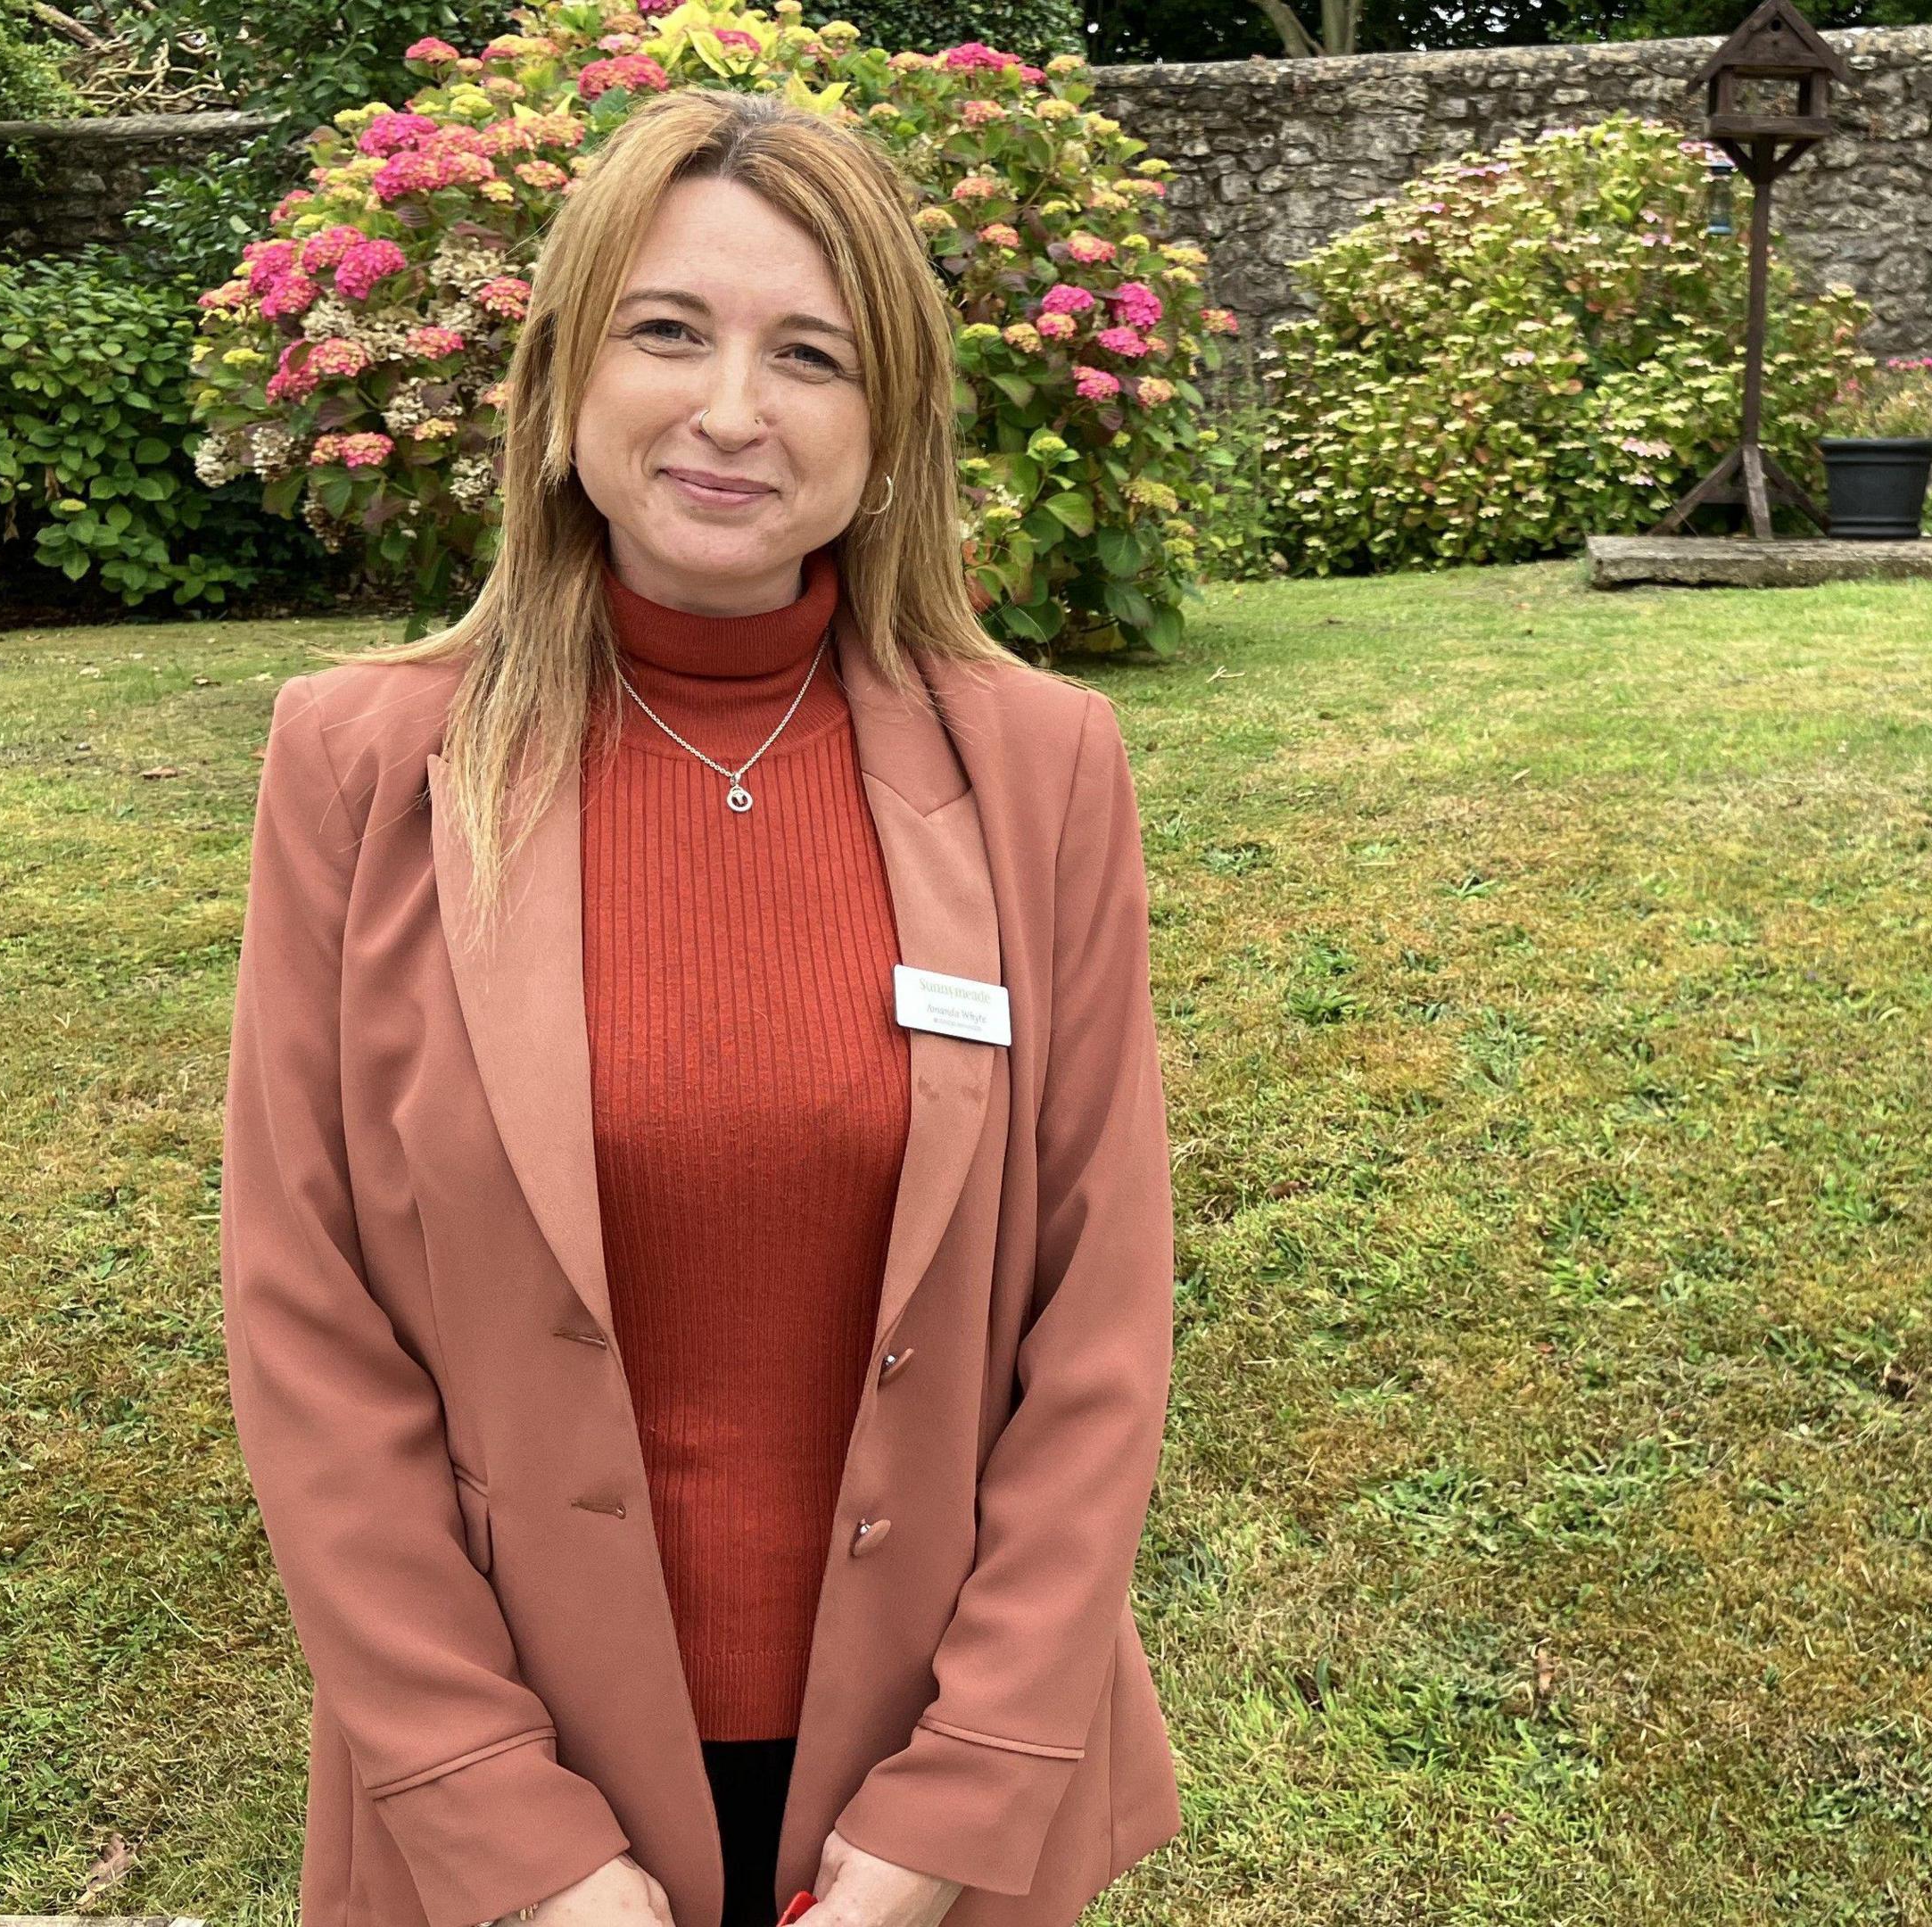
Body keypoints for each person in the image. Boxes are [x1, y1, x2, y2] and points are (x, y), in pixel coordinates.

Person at [217, 87, 1182, 1927]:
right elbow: (311, 1337)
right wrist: (520, 1842)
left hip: (925, 1807)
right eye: (670, 330)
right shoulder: (358, 765)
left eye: (809, 354)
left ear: (887, 431)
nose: (733, 410)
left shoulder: (1043, 769)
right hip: (512, 1811)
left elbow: (1099, 1328)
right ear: (563, 386)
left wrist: (947, 1819)